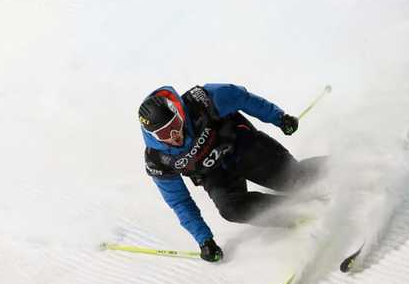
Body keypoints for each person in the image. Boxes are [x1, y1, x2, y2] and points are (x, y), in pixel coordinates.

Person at [139, 84, 325, 263]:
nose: (174, 135)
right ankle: (297, 214)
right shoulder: (157, 159)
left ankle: (342, 165)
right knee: (231, 209)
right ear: (153, 135)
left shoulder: (200, 102)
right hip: (215, 175)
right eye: (163, 133)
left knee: (294, 181)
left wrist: (279, 118)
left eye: (175, 124)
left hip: (243, 147)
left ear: (178, 112)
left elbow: (241, 97)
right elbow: (179, 202)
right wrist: (204, 240)